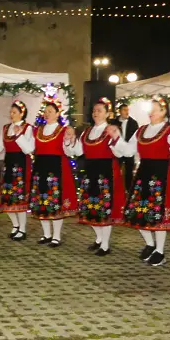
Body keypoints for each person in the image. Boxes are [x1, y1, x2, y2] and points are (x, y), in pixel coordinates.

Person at [111, 96, 170, 266]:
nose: (151, 112)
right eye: (150, 109)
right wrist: (116, 138)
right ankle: (150, 244)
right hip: (144, 173)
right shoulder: (141, 130)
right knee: (139, 211)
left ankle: (160, 251)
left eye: (155, 109)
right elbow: (128, 151)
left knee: (158, 214)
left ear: (164, 111)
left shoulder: (169, 129)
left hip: (161, 174)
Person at [64, 97, 125, 256]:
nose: (95, 113)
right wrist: (70, 140)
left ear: (108, 114)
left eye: (99, 110)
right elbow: (77, 151)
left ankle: (105, 245)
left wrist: (115, 138)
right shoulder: (87, 131)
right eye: (94, 110)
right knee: (90, 207)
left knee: (104, 209)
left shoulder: (111, 130)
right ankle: (99, 239)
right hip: (90, 172)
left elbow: (120, 153)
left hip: (106, 172)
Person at [30, 96, 78, 247]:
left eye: (51, 111)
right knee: (42, 201)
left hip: (57, 168)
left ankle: (56, 236)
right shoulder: (37, 130)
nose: (47, 114)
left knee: (56, 202)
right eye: (46, 111)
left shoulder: (63, 130)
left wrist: (69, 140)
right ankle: (46, 234)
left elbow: (70, 152)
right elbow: (29, 148)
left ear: (58, 114)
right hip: (40, 167)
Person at [0, 101, 35, 241]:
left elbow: (29, 149)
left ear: (22, 114)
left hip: (21, 165)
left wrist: (19, 135)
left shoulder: (27, 128)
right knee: (7, 197)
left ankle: (22, 229)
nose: (11, 114)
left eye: (14, 112)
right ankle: (15, 225)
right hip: (8, 165)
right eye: (10, 112)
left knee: (19, 198)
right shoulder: (5, 128)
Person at [112, 104, 139, 190]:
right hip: (117, 150)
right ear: (119, 111)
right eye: (124, 110)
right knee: (115, 169)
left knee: (129, 171)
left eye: (127, 110)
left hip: (128, 150)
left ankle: (128, 189)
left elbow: (136, 137)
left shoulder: (133, 123)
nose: (126, 112)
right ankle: (115, 188)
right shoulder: (114, 122)